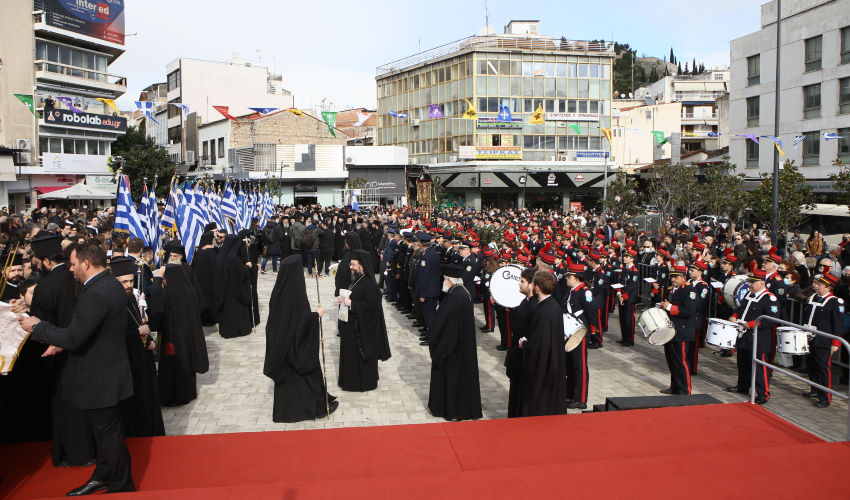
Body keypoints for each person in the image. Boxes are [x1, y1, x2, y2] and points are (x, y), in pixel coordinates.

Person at [19, 242, 135, 495]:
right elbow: (93, 331)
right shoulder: (110, 283)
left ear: (86, 263)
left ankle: (120, 484)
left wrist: (39, 327)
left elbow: (74, 337)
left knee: (108, 435)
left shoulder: (95, 292)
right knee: (106, 433)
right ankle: (105, 475)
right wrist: (60, 345)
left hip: (100, 378)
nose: (70, 270)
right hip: (109, 373)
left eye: (72, 264)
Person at [264, 255, 338, 422]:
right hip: (295, 345)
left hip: (283, 346)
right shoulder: (296, 293)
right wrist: (315, 316)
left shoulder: (280, 290)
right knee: (309, 372)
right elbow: (298, 322)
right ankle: (318, 407)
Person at [109, 257, 165, 436]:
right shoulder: (110, 301)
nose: (128, 285)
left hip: (142, 356)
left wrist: (148, 339)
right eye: (123, 281)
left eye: (131, 281)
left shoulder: (131, 297)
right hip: (126, 359)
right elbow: (111, 334)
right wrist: (138, 332)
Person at [427, 263, 482, 421]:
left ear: (449, 280)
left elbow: (441, 323)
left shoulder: (454, 297)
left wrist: (432, 330)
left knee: (451, 379)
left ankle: (451, 410)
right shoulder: (462, 293)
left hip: (451, 348)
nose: (443, 282)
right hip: (460, 345)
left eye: (445, 279)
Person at [148, 264, 209, 406]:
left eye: (164, 279)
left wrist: (157, 280)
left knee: (174, 368)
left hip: (172, 337)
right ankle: (188, 392)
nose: (163, 281)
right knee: (186, 365)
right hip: (187, 335)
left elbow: (157, 307)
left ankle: (172, 396)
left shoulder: (168, 294)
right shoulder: (188, 290)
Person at [336, 250, 391, 391]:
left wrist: (352, 304)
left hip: (362, 332)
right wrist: (343, 300)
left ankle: (361, 384)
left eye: (353, 265)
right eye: (350, 264)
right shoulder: (355, 280)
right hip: (351, 328)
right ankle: (348, 382)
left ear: (363, 267)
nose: (350, 267)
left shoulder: (370, 285)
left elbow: (372, 307)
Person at [725, 268, 779, 404]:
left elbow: (769, 319)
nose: (750, 284)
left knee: (759, 367)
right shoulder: (749, 294)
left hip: (758, 337)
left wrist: (749, 324)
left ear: (762, 283)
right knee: (742, 363)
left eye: (753, 282)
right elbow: (741, 309)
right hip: (744, 335)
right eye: (750, 282)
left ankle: (763, 393)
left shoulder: (769, 298)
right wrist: (734, 316)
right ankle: (742, 386)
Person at [519, 271, 567, 416]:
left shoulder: (543, 311)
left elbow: (539, 344)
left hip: (544, 368)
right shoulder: (552, 305)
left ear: (538, 288)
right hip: (553, 364)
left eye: (533, 283)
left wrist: (525, 344)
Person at [802, 272, 844, 408]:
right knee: (812, 366)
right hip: (810, 337)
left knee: (822, 368)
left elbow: (838, 325)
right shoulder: (815, 297)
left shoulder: (834, 302)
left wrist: (835, 343)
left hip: (823, 340)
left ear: (828, 287)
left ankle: (825, 397)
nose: (816, 286)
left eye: (819, 285)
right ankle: (814, 389)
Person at [505, 267, 537, 418]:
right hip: (517, 359)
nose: (519, 284)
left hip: (525, 361)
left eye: (522, 281)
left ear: (532, 285)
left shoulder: (536, 307)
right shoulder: (526, 302)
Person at [660, 264, 695, 395]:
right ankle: (675, 386)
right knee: (671, 360)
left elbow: (689, 311)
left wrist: (669, 307)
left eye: (676, 277)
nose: (673, 279)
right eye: (672, 277)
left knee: (681, 362)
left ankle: (685, 390)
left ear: (683, 278)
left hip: (682, 331)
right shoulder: (672, 290)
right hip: (671, 330)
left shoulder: (690, 291)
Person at [563, 261, 591, 409]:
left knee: (579, 365)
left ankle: (581, 398)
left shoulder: (585, 292)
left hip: (580, 331)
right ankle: (570, 394)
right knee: (570, 364)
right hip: (569, 330)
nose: (567, 278)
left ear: (577, 278)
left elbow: (592, 312)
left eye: (570, 276)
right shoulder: (570, 292)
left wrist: (593, 331)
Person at [214, 235, 254, 338]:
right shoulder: (234, 259)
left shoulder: (220, 255)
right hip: (234, 290)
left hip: (223, 289)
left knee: (227, 312)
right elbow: (241, 274)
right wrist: (247, 267)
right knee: (236, 311)